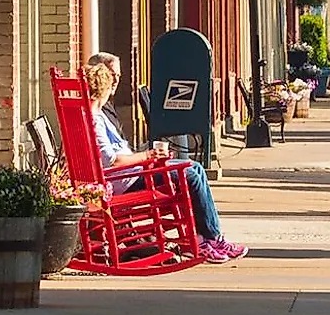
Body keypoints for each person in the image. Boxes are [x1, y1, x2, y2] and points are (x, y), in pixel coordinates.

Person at [81, 52, 246, 263]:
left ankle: (208, 238)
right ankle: (207, 240)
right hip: (124, 180)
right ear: (102, 89)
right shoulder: (94, 120)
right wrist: (148, 156)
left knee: (194, 168)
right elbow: (113, 161)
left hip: (130, 174)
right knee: (191, 174)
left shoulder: (95, 115)